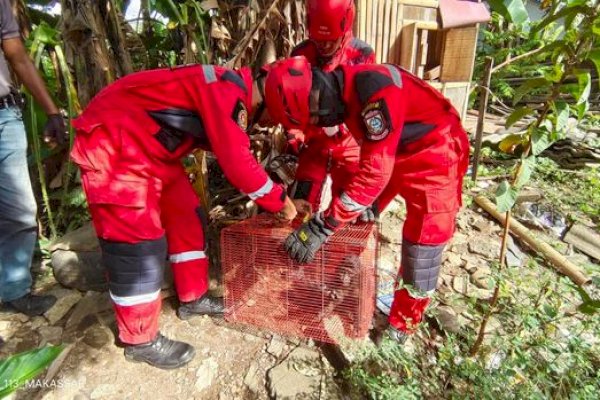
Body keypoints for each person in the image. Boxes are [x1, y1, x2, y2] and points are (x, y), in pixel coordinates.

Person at [70, 64, 297, 369]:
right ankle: (139, 339)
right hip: (117, 147)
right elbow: (238, 163)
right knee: (138, 245)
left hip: (149, 150)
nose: (268, 124)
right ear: (269, 102)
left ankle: (194, 298)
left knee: (187, 216)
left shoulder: (231, 88)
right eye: (272, 118)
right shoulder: (227, 92)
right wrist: (281, 201)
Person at [263, 56, 470, 344]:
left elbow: (375, 173)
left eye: (313, 117)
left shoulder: (374, 91)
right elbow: (373, 163)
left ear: (318, 98)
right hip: (394, 156)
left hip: (435, 161)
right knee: (358, 215)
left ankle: (402, 325)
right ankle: (343, 276)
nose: (317, 124)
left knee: (422, 249)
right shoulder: (346, 94)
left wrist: (323, 224)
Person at [0, 0, 65, 316]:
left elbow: (17, 55)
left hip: (5, 115)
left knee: (21, 210)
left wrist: (52, 111)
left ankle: (14, 291)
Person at [287, 0, 374, 211]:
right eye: (318, 40)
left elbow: (367, 103)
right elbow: (289, 101)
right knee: (300, 206)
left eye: (331, 40)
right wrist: (294, 130)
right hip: (313, 144)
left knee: (349, 212)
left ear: (345, 30)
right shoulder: (300, 55)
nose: (324, 46)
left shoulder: (361, 55)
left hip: (349, 145)